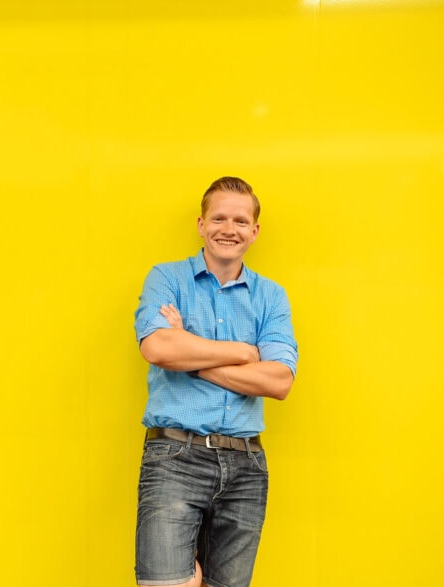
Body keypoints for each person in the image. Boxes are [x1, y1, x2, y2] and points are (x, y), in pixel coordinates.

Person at [133, 176, 299, 587]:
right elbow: (156, 349)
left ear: (255, 231)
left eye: (241, 221)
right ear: (201, 224)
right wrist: (244, 352)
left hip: (246, 464)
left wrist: (190, 354)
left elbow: (279, 380)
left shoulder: (271, 296)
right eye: (219, 218)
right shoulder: (167, 279)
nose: (230, 229)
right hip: (174, 455)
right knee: (166, 582)